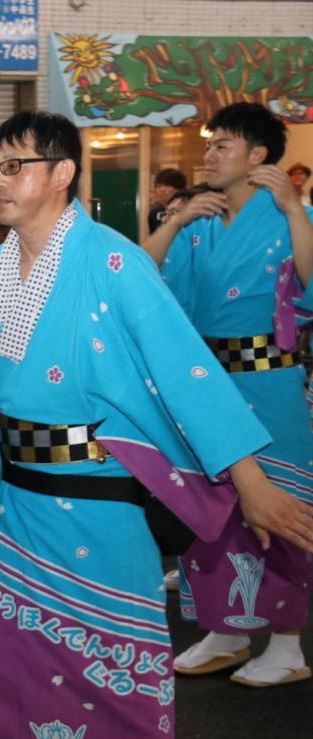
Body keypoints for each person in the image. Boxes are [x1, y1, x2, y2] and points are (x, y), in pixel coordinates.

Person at [0, 110, 313, 739]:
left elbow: (187, 372)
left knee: (108, 689)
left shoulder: (112, 262)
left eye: (16, 166)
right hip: (8, 506)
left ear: (63, 173)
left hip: (97, 513)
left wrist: (250, 481)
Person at [145, 102, 313, 687]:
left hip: (273, 380)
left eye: (222, 145)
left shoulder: (293, 212)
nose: (208, 153)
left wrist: (295, 210)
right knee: (214, 508)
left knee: (282, 501)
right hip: (208, 384)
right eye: (209, 144)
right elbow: (144, 287)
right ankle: (226, 628)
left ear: (258, 156)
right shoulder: (199, 221)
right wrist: (173, 220)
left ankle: (287, 643)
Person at [147, 167, 188, 233]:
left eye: (167, 185)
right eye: (158, 186)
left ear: (180, 189)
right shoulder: (154, 213)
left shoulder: (190, 211)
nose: (162, 190)